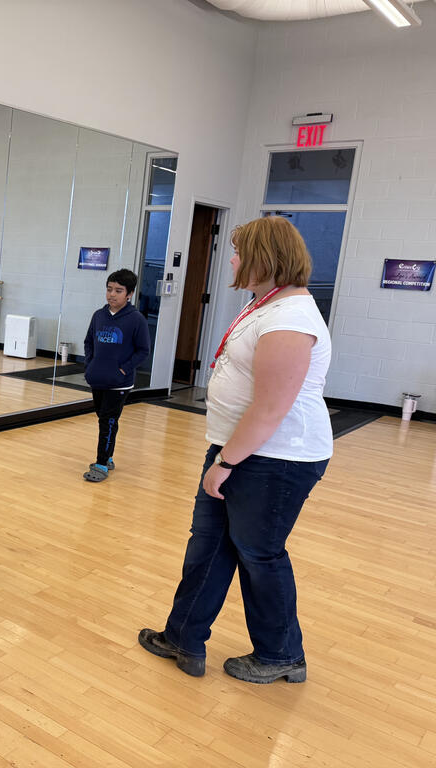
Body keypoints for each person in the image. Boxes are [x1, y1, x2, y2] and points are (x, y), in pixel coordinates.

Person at [138, 215, 332, 684]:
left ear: (265, 257)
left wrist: (225, 462)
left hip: (276, 458)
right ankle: (183, 636)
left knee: (260, 554)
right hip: (239, 450)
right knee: (208, 545)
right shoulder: (265, 304)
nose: (232, 260)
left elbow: (270, 408)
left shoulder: (291, 317)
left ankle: (282, 655)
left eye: (240, 252)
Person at [81, 268, 150, 482]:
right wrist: (90, 364)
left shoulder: (136, 319)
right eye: (109, 289)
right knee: (106, 419)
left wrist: (123, 369)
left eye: (118, 291)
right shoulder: (99, 316)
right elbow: (89, 342)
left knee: (107, 421)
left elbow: (143, 351)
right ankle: (108, 456)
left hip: (119, 383)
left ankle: (101, 463)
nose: (112, 294)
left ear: (129, 294)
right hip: (98, 378)